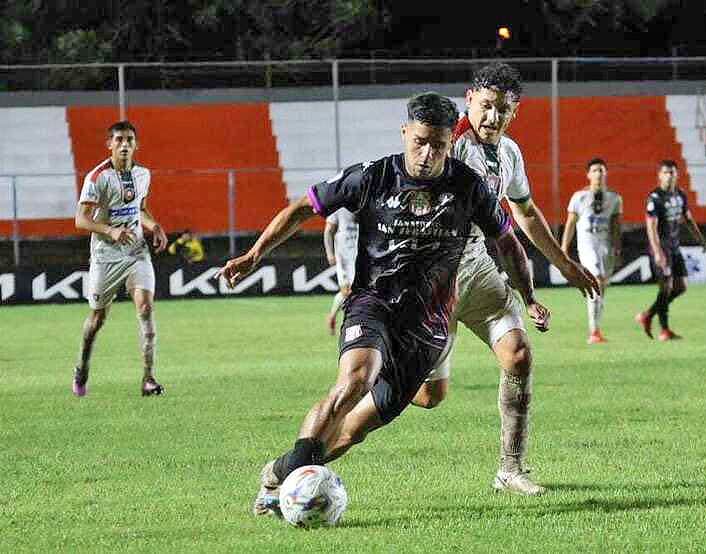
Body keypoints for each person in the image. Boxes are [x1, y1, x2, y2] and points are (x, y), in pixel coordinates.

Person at [217, 92, 549, 515]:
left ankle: (279, 474)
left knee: (353, 431)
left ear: (451, 141)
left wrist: (530, 296)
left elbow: (508, 243)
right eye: (420, 141)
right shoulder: (373, 176)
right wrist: (254, 254)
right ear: (405, 132)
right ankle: (290, 497)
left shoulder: (468, 188)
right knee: (355, 378)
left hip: (427, 331)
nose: (428, 154)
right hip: (373, 305)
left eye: (439, 145)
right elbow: (303, 208)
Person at [408, 62, 599, 496]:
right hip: (433, 277)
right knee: (428, 398)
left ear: (514, 113)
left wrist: (564, 265)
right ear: (469, 98)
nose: (493, 118)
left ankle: (511, 469)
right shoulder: (447, 145)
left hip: (478, 268)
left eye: (503, 110)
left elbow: (525, 213)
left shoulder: (509, 152)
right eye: (487, 106)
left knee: (518, 355)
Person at [72, 120, 168, 397]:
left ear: (136, 144)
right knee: (98, 319)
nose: (124, 145)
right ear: (109, 144)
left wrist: (155, 226)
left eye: (129, 140)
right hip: (106, 256)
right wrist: (110, 230)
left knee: (146, 308)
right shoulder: (97, 177)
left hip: (136, 251)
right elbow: (81, 219)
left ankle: (148, 378)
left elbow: (140, 210)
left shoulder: (143, 174)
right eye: (119, 140)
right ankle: (82, 367)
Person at [635, 160, 706, 341]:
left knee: (681, 287)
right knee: (666, 287)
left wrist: (700, 239)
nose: (670, 176)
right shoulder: (655, 198)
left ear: (677, 175)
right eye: (666, 172)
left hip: (675, 247)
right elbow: (651, 227)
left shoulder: (680, 195)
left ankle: (648, 315)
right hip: (661, 248)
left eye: (673, 173)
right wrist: (658, 252)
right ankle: (665, 330)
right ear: (659, 175)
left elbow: (688, 219)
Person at [561, 158, 623, 344]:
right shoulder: (579, 197)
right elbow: (571, 224)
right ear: (588, 174)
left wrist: (617, 247)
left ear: (606, 174)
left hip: (606, 245)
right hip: (587, 244)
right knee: (597, 280)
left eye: (602, 170)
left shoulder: (614, 198)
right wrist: (563, 248)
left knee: (602, 286)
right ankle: (594, 332)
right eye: (595, 170)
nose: (599, 173)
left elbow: (615, 226)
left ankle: (596, 327)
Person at [323, 208, 358, 335]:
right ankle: (346, 321)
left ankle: (333, 316)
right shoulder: (339, 208)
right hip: (344, 256)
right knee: (347, 290)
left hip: (360, 254)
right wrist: (330, 253)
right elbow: (328, 231)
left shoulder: (365, 200)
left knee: (355, 291)